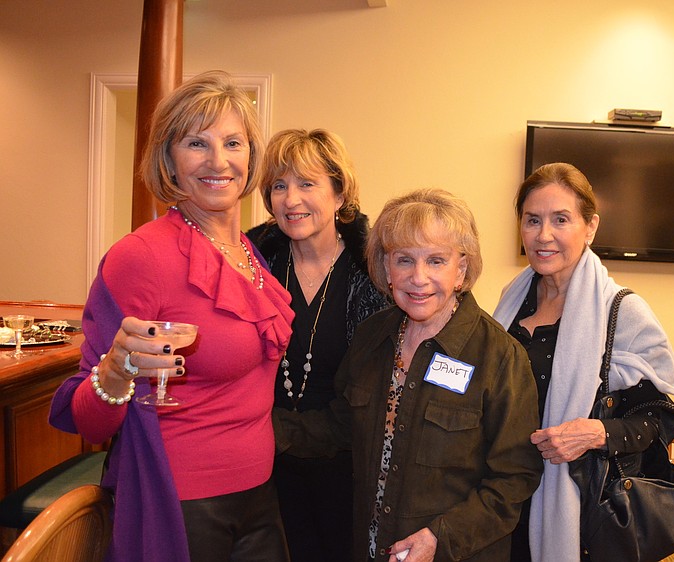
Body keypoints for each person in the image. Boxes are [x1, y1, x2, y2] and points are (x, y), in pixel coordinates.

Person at [49, 71, 295, 562]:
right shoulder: (142, 256)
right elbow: (87, 419)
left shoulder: (251, 253)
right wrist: (116, 371)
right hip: (182, 506)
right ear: (170, 159)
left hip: (261, 495)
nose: (218, 161)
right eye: (196, 143)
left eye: (233, 142)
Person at [278, 188, 543, 562]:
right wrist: (263, 428)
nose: (418, 278)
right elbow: (339, 427)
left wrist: (440, 538)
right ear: (387, 269)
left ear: (460, 269)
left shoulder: (500, 357)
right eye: (405, 260)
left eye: (436, 261)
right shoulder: (372, 337)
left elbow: (514, 479)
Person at [492, 162, 674, 562]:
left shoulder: (621, 310)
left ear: (591, 227)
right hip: (504, 490)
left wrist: (595, 432)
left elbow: (662, 419)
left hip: (578, 504)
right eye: (532, 220)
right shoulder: (510, 300)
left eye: (560, 219)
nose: (543, 235)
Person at [247, 128, 388, 561]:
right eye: (279, 186)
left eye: (307, 184)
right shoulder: (252, 264)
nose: (291, 200)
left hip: (345, 468)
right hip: (261, 466)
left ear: (339, 192)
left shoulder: (375, 273)